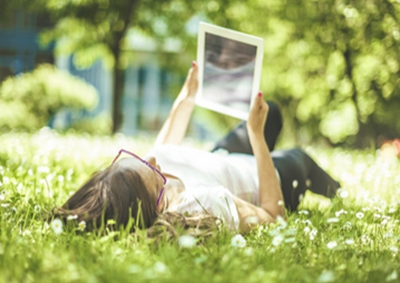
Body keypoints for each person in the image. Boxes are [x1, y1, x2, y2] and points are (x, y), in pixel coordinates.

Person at [54, 61, 340, 234]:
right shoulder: (204, 204)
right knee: (299, 158)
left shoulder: (139, 184)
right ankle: (340, 191)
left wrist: (185, 102)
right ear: (155, 203)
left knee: (272, 112)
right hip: (264, 177)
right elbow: (273, 217)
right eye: (154, 173)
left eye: (136, 159)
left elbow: (162, 150)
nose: (152, 158)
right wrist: (257, 137)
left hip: (217, 160)